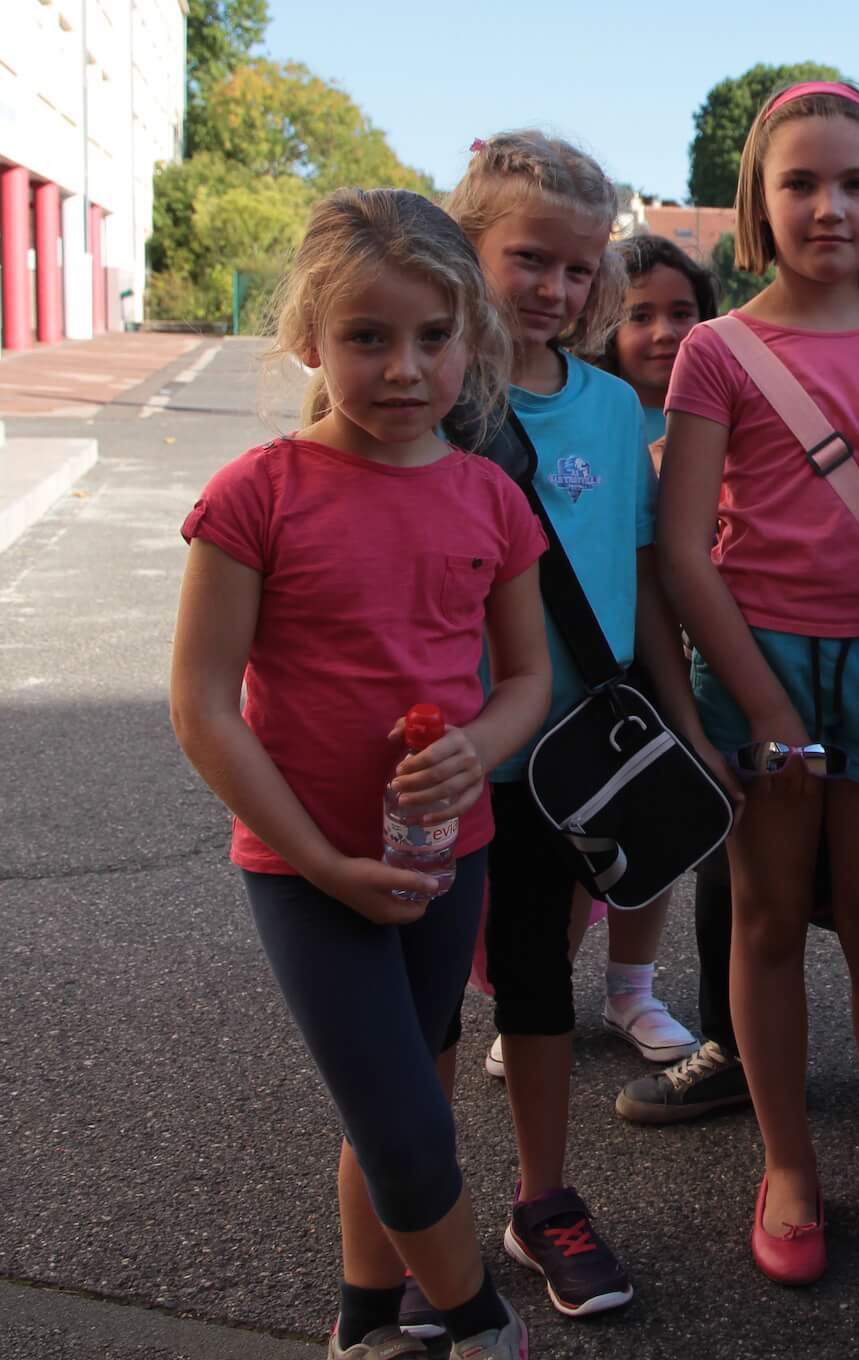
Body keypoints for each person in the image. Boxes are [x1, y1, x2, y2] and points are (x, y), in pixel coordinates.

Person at [168, 188, 546, 1360]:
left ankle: (368, 1322)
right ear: (309, 342)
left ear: (471, 342)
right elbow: (200, 701)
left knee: (407, 1101)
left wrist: (478, 752)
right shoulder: (257, 494)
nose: (403, 369)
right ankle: (481, 1324)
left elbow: (528, 679)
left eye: (433, 337)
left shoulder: (490, 495)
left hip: (446, 858)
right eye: (367, 339)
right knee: (401, 1119)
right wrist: (319, 858)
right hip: (303, 862)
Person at [660, 80, 859, 1286]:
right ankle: (790, 1164)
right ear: (758, 201)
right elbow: (686, 550)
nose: (829, 206)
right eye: (800, 183)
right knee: (768, 919)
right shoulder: (716, 350)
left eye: (855, 182)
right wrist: (770, 705)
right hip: (760, 665)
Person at [443, 135, 729, 1320]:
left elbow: (652, 574)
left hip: (580, 754)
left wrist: (681, 713)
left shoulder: (616, 407)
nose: (555, 289)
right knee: (428, 999)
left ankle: (543, 1199)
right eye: (528, 260)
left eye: (576, 268)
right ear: (466, 252)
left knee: (536, 988)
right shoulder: (431, 391)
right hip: (454, 752)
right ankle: (417, 1198)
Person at [589, 232, 752, 1127]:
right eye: (635, 314)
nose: (659, 332)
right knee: (583, 829)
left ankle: (632, 989)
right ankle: (537, 993)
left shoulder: (720, 405)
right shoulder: (599, 411)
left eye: (681, 313)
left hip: (689, 648)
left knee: (655, 834)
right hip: (601, 649)